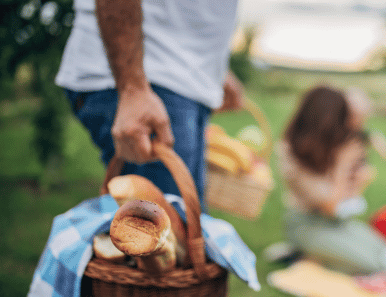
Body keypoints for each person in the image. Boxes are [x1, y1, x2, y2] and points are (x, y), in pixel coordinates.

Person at [54, 0, 244, 206]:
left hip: (180, 79)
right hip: (145, 75)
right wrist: (132, 88)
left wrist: (214, 71)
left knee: (185, 220)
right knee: (160, 224)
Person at [276, 86, 386, 280]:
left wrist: (359, 182)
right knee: (373, 265)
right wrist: (342, 165)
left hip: (338, 224)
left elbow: (344, 203)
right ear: (326, 120)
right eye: (344, 119)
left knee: (383, 250)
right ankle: (305, 254)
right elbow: (330, 206)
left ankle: (316, 255)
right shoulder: (293, 156)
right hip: (308, 225)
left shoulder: (329, 145)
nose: (349, 126)